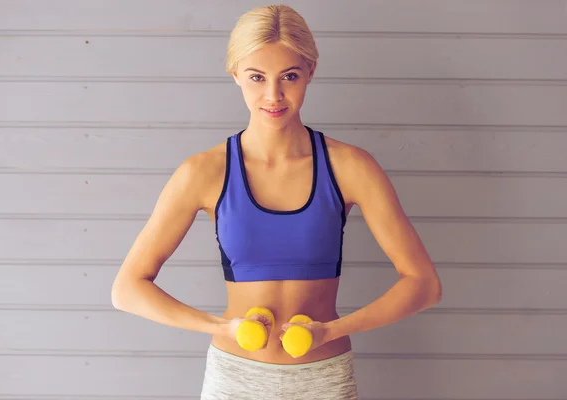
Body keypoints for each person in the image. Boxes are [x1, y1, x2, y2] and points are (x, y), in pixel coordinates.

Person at [111, 4, 442, 399]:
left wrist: (332, 331)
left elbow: (424, 284)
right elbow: (127, 289)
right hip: (235, 378)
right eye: (256, 77)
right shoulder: (204, 172)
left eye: (289, 76)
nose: (273, 95)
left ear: (310, 73)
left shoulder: (351, 166)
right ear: (235, 74)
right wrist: (222, 328)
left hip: (324, 377)